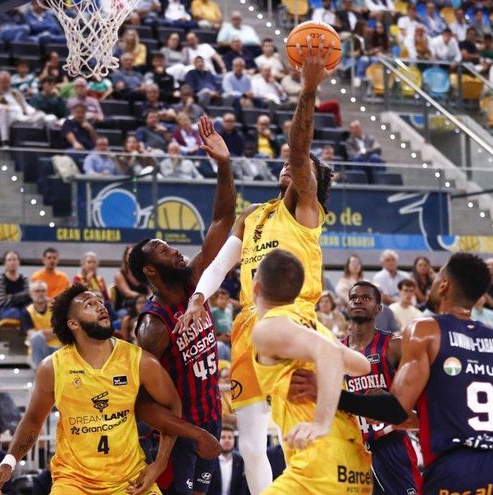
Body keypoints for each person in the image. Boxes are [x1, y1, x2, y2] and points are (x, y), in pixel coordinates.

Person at [175, 38, 336, 495]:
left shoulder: (306, 212)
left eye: (301, 168)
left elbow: (300, 152)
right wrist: (198, 300)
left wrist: (308, 91)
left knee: (293, 430)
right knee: (249, 442)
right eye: (287, 165)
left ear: (313, 185)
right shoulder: (254, 216)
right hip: (248, 323)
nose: (290, 165)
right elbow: (222, 263)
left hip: (292, 319)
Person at [0, 283, 220, 495]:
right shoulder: (52, 368)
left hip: (129, 479)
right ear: (73, 323)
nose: (100, 306)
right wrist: (8, 464)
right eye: (89, 304)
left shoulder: (140, 360)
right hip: (73, 481)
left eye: (99, 301)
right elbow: (33, 420)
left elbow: (172, 406)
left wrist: (159, 464)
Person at [330, 252, 493, 493]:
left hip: (456, 466)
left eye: (436, 278)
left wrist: (335, 398)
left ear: (444, 285)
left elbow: (394, 409)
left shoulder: (425, 330)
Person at [129, 115, 235, 495]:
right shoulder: (153, 326)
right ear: (149, 271)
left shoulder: (195, 282)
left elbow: (223, 219)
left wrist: (223, 166)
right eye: (161, 249)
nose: (173, 249)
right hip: (177, 438)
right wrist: (193, 433)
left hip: (210, 420)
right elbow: (142, 404)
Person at [250, 250, 373, 494]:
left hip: (319, 459)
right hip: (353, 464)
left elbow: (328, 351)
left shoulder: (268, 328)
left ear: (256, 287)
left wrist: (320, 423)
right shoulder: (312, 326)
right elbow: (362, 365)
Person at [297, 282, 420, 493]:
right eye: (354, 298)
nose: (358, 301)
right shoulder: (335, 350)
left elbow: (417, 394)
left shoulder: (394, 345)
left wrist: (388, 400)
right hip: (351, 447)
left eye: (366, 298)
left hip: (390, 443)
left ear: (378, 308)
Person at [0, 71, 54, 147]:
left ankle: (42, 141)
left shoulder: (15, 92)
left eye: (7, 82)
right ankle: (5, 142)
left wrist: (34, 112)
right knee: (3, 112)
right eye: (3, 82)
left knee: (42, 115)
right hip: (4, 118)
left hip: (20, 117)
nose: (5, 85)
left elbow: (26, 106)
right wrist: (4, 107)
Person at [0, 251, 30, 337]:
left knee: (30, 311)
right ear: (5, 263)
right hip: (5, 310)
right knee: (23, 313)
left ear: (19, 262)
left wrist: (12, 297)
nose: (12, 262)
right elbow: (2, 301)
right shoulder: (0, 278)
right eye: (9, 260)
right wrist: (21, 298)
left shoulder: (24, 279)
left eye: (15, 259)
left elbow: (29, 296)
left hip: (22, 309)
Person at [21, 281, 60, 367]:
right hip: (39, 350)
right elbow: (32, 335)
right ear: (31, 294)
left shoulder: (55, 308)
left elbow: (60, 332)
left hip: (57, 348)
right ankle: (42, 370)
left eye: (43, 291)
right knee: (36, 337)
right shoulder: (26, 312)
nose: (40, 294)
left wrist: (42, 333)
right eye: (37, 291)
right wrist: (48, 333)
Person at [208, 424, 247, 495]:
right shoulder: (210, 459)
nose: (227, 440)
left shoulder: (239, 460)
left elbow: (241, 487)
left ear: (234, 440)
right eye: (223, 437)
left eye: (230, 437)